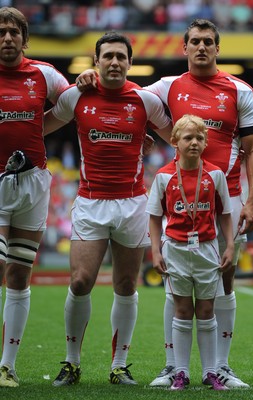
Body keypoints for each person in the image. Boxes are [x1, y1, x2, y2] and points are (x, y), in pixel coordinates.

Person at [76, 18, 253, 388]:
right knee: (173, 282)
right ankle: (172, 365)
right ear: (185, 48)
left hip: (227, 195)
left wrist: (252, 202)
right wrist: (89, 76)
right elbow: (123, 92)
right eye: (195, 41)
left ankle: (221, 367)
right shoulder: (168, 86)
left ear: (217, 48)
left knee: (225, 280)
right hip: (179, 199)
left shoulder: (239, 89)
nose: (201, 47)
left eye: (208, 42)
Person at [43, 31, 172, 386]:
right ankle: (71, 362)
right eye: (108, 56)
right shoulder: (77, 96)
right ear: (96, 61)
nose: (114, 62)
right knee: (81, 281)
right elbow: (39, 127)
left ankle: (120, 365)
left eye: (121, 56)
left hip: (132, 204)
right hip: (90, 202)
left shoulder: (145, 101)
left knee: (127, 284)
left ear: (129, 63)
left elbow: (177, 136)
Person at [0, 6, 69, 388]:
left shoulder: (42, 74)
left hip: (32, 183)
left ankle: (7, 365)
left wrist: (40, 127)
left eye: (14, 32)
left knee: (19, 274)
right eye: (1, 31)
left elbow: (71, 102)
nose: (7, 38)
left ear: (25, 39)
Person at [146, 114, 234, 390]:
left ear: (206, 142)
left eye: (199, 138)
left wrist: (229, 245)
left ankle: (210, 372)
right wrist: (156, 251)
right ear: (175, 142)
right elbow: (153, 216)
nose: (194, 142)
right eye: (188, 138)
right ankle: (181, 372)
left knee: (207, 310)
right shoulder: (163, 176)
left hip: (207, 249)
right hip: (175, 249)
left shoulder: (215, 174)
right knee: (182, 310)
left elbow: (226, 215)